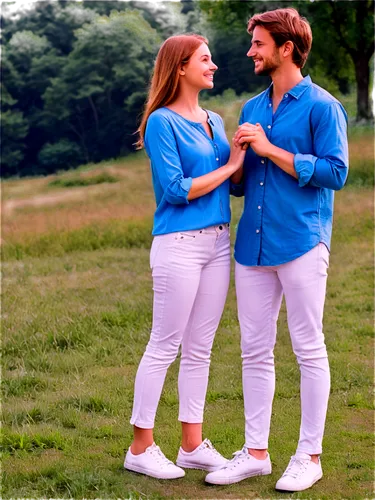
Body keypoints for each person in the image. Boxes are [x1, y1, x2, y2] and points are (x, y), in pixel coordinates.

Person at [205, 7, 349, 492]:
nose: (250, 52)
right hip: (253, 246)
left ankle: (310, 455)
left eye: (259, 44)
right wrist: (241, 159)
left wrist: (271, 151)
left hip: (303, 241)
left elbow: (335, 173)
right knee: (253, 350)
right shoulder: (250, 108)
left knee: (309, 349)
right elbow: (244, 186)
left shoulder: (322, 107)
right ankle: (256, 452)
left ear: (286, 48)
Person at [124, 33, 246, 480]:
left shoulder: (214, 119)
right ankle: (140, 447)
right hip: (178, 244)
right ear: (179, 67)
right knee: (165, 345)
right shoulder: (161, 122)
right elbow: (176, 190)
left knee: (201, 348)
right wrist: (231, 166)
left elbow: (229, 183)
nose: (213, 66)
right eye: (205, 59)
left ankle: (192, 445)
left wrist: (244, 157)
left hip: (217, 242)